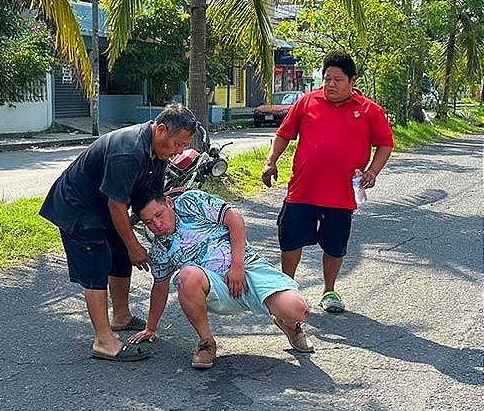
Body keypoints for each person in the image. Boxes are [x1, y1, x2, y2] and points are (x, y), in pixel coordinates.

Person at [39, 104, 198, 362]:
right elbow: (117, 205)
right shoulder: (128, 151)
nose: (180, 150)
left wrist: (168, 234)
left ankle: (121, 316)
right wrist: (135, 245)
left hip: (105, 206)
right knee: (97, 261)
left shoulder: (158, 153)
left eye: (184, 145)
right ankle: (103, 340)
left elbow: (150, 199)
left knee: (121, 254)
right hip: (78, 206)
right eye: (178, 143)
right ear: (160, 130)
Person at [262, 51, 394, 313]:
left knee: (335, 245)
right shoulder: (307, 102)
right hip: (302, 190)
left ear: (352, 81)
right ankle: (287, 289)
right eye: (327, 79)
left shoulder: (369, 111)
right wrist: (270, 161)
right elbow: (284, 134)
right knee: (290, 240)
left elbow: (385, 144)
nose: (331, 84)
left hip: (341, 195)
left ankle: (329, 290)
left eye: (338, 79)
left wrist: (373, 171)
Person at [129, 190, 313, 369]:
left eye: (159, 215)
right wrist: (150, 328)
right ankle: (206, 342)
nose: (157, 225)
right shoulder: (159, 249)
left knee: (297, 309)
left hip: (247, 267)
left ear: (169, 203)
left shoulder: (191, 202)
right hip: (216, 288)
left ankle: (290, 325)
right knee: (187, 275)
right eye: (149, 222)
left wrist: (237, 266)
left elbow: (235, 220)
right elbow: (159, 288)